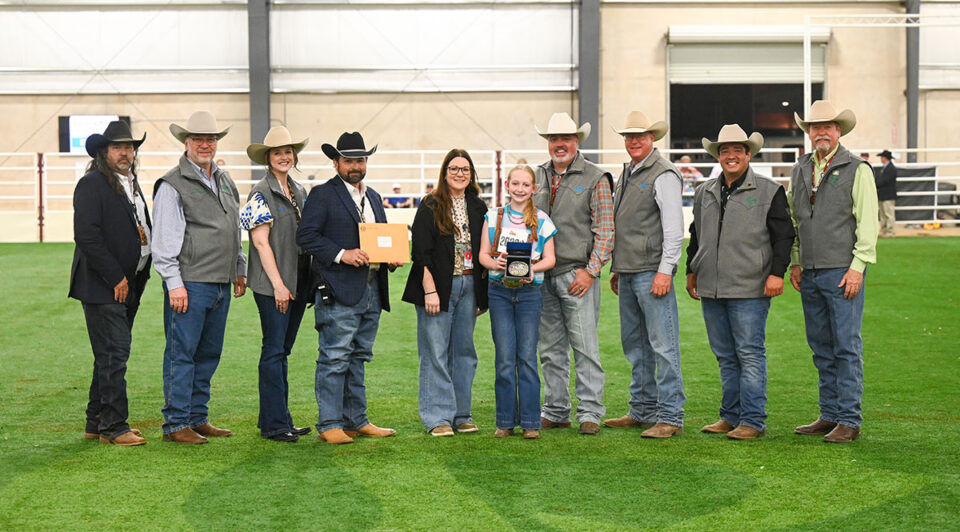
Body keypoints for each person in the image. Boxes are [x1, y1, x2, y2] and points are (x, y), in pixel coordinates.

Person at [685, 124, 795, 440]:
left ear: (748, 154)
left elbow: (784, 236)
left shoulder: (769, 191)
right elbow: (696, 233)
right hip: (711, 286)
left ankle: (753, 420)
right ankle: (730, 416)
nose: (731, 155)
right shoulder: (704, 191)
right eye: (725, 150)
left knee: (748, 353)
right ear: (718, 155)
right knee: (725, 355)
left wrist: (777, 273)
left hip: (751, 287)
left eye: (737, 150)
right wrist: (691, 269)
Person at [296, 131, 401, 445]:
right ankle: (330, 423)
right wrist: (343, 254)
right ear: (336, 162)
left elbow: (379, 238)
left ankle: (356, 420)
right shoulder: (323, 194)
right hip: (337, 287)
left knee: (358, 356)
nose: (356, 165)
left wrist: (390, 258)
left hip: (371, 288)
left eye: (360, 159)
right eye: (349, 160)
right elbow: (307, 236)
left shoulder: (375, 198)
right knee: (334, 357)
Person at [152, 111, 247, 445]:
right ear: (186, 143)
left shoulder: (224, 179)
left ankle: (197, 417)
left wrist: (239, 265)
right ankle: (176, 423)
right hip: (190, 283)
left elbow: (233, 226)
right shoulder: (172, 184)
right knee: (182, 353)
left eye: (211, 139)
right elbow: (163, 241)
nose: (206, 144)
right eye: (199, 139)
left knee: (208, 353)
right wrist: (173, 283)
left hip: (220, 281)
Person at [788, 100, 878, 443]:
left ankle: (849, 419)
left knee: (845, 345)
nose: (821, 132)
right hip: (809, 271)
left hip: (842, 270)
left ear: (839, 130)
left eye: (828, 126)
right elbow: (796, 219)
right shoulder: (800, 169)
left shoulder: (858, 169)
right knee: (821, 345)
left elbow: (867, 223)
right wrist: (796, 261)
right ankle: (829, 413)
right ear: (809, 132)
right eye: (815, 126)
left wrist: (858, 268)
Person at [603, 111, 686, 439]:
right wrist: (617, 267)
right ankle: (642, 409)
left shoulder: (663, 173)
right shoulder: (630, 171)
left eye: (640, 135)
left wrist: (666, 270)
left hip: (651, 271)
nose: (633, 141)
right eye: (628, 136)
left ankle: (671, 415)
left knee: (663, 345)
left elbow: (674, 229)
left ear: (653, 138)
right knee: (636, 344)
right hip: (629, 271)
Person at [531, 112, 614, 435]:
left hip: (575, 274)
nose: (559, 144)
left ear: (577, 142)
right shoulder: (536, 176)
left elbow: (606, 231)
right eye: (554, 139)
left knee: (585, 346)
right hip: (541, 275)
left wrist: (591, 272)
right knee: (550, 349)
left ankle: (590, 410)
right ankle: (556, 408)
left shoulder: (595, 177)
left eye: (565, 139)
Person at [69, 121, 151, 446]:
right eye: (118, 147)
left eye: (129, 147)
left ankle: (97, 421)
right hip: (105, 284)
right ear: (104, 152)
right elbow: (86, 235)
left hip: (129, 282)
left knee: (107, 354)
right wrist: (116, 275)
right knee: (115, 353)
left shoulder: (129, 183)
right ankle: (114, 427)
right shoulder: (92, 184)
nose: (125, 153)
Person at [402, 149, 488, 437]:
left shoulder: (479, 207)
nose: (460, 173)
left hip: (468, 286)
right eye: (454, 168)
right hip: (436, 287)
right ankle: (437, 417)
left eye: (465, 169)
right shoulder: (430, 205)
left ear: (471, 174)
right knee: (435, 353)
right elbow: (420, 253)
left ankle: (461, 414)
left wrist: (481, 294)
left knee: (464, 352)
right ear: (445, 172)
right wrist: (430, 291)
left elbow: (483, 251)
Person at [241, 126, 312, 443]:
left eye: (288, 151)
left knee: (281, 351)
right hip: (274, 285)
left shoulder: (299, 190)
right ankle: (273, 425)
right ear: (267, 158)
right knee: (273, 351)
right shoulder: (260, 192)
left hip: (297, 281)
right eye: (277, 152)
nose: (284, 156)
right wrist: (279, 286)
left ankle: (278, 418)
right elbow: (260, 244)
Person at [478, 165, 557, 440]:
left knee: (526, 357)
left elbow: (550, 258)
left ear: (533, 189)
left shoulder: (542, 219)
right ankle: (505, 421)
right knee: (504, 357)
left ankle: (531, 422)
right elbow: (483, 256)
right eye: (516, 184)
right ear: (507, 185)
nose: (520, 189)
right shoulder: (493, 216)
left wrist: (534, 269)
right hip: (499, 290)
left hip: (529, 293)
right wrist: (496, 263)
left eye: (526, 185)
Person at [875, 150, 898, 238]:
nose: (881, 159)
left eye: (882, 157)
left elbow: (885, 180)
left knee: (888, 214)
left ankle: (890, 231)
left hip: (888, 195)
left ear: (885, 158)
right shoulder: (885, 168)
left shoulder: (891, 169)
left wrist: (876, 185)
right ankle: (884, 230)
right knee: (883, 214)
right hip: (883, 194)